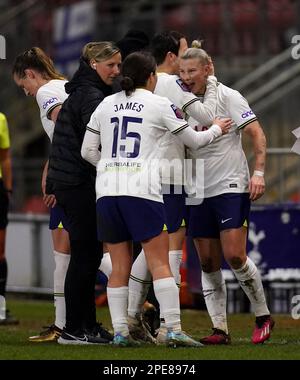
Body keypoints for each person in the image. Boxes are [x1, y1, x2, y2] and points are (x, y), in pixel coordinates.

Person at [81, 51, 231, 347]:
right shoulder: (158, 103)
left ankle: (121, 332)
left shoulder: (106, 104)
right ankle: (173, 328)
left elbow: (87, 151)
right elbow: (195, 140)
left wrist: (113, 167)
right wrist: (217, 128)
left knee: (119, 265)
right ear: (151, 77)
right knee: (160, 261)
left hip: (108, 192)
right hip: (141, 192)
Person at [179, 42, 274, 345]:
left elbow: (257, 133)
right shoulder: (180, 101)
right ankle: (220, 329)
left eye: (192, 71)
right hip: (197, 188)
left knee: (234, 255)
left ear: (208, 69)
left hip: (230, 185)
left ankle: (262, 315)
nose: (187, 76)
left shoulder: (229, 97)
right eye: (182, 71)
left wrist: (258, 173)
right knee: (206, 262)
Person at [127, 31, 218, 343]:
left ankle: (132, 317)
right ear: (170, 57)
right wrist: (213, 83)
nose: (187, 56)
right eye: (183, 51)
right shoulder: (171, 84)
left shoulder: (137, 90)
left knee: (154, 246)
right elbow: (207, 116)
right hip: (171, 174)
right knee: (166, 246)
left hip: (144, 174)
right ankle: (167, 325)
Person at [46, 41, 121, 345]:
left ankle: (84, 325)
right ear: (93, 65)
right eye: (111, 65)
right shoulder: (91, 96)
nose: (116, 71)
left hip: (70, 181)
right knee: (85, 256)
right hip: (78, 182)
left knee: (85, 256)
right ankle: (76, 329)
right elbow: (95, 144)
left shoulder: (84, 91)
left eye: (119, 65)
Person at [12, 47, 70, 341]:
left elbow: (67, 131)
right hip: (89, 175)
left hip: (71, 179)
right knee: (88, 251)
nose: (25, 93)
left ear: (31, 74)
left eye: (24, 86)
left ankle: (61, 324)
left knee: (65, 255)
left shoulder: (47, 93)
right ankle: (142, 300)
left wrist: (54, 173)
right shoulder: (66, 85)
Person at [0, 112, 18, 325]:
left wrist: (9, 188)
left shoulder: (2, 119)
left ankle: (1, 309)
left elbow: (5, 156)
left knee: (0, 251)